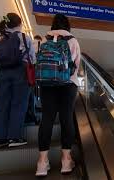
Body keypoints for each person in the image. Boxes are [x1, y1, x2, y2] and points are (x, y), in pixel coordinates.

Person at [35, 14, 81, 176]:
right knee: (66, 118)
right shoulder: (73, 41)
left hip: (47, 85)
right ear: (67, 25)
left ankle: (42, 163)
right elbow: (76, 66)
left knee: (47, 118)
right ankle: (66, 161)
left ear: (53, 25)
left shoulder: (45, 41)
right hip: (68, 85)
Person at [0, 13, 36, 149]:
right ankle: (14, 137)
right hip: (20, 73)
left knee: (2, 105)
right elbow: (32, 58)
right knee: (19, 104)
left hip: (2, 73)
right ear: (19, 24)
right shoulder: (23, 37)